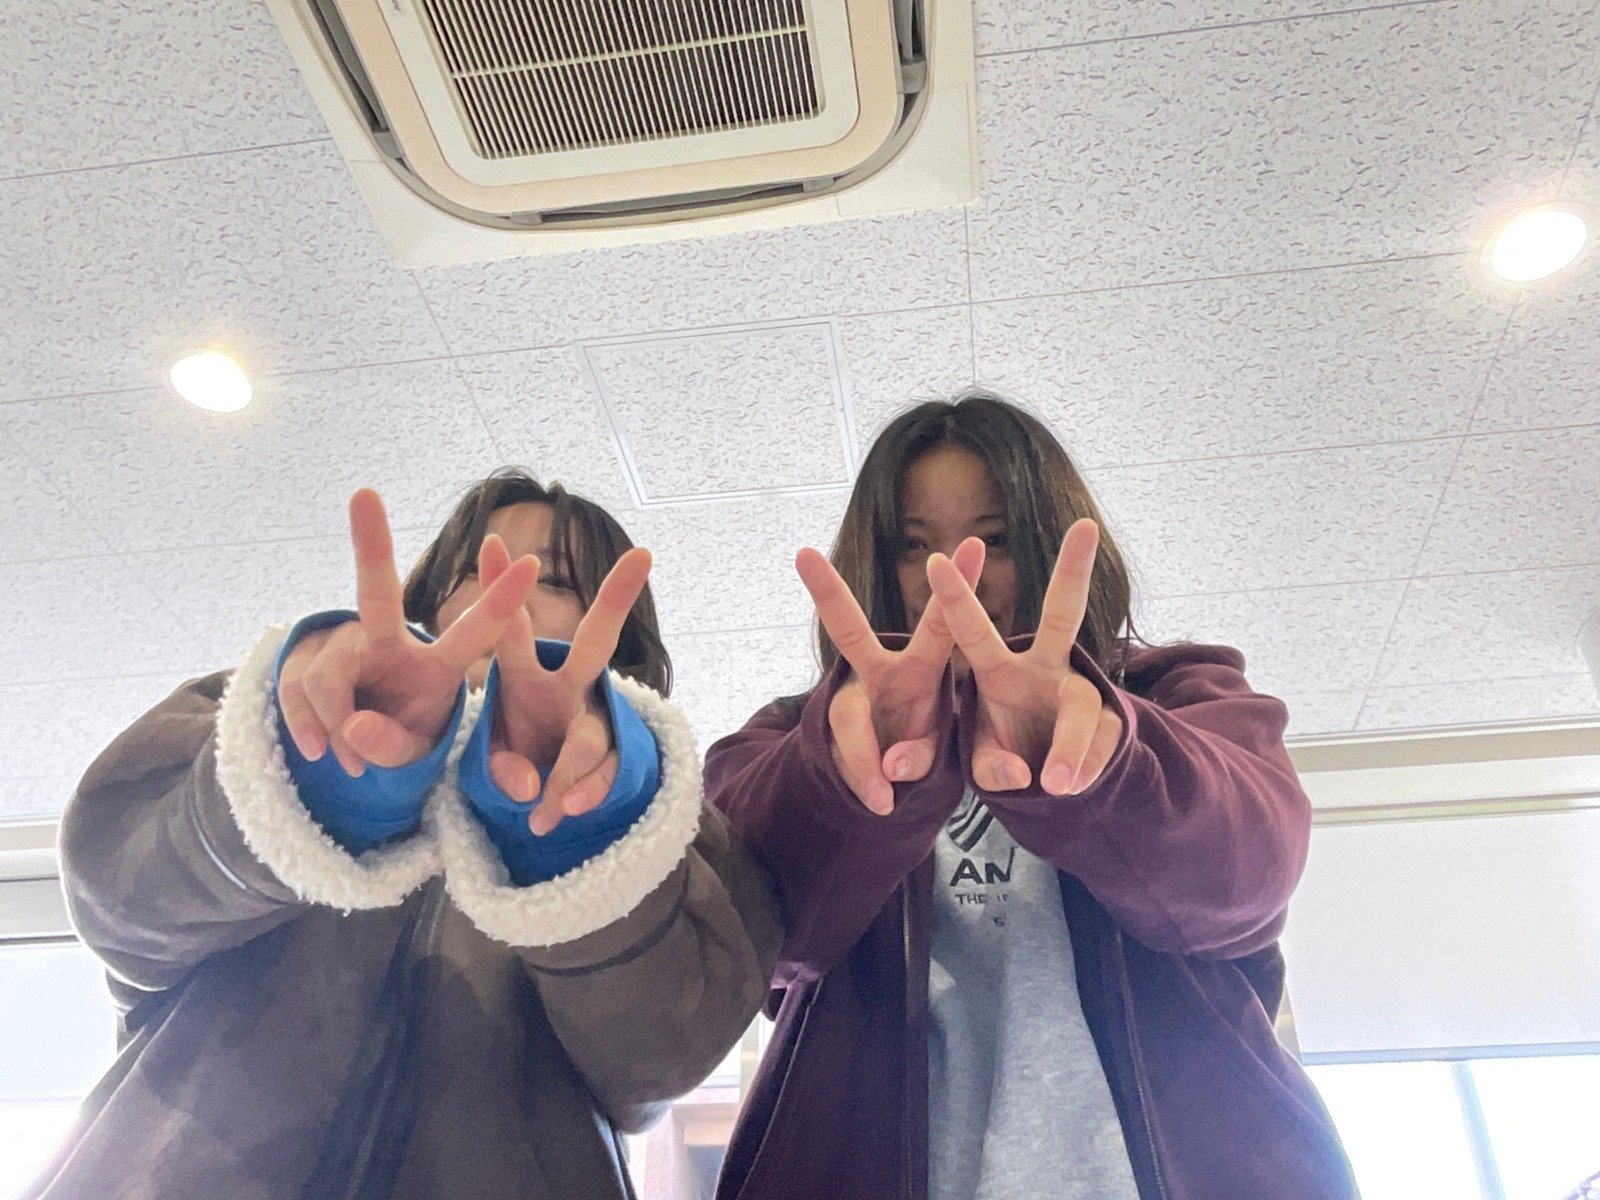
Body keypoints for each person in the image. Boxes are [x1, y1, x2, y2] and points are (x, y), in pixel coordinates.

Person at [37, 470, 780, 1200]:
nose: (504, 593)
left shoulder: (671, 834)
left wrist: (578, 840)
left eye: (553, 580)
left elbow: (659, 1060)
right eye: (475, 569)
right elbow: (120, 900)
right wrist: (320, 783)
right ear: (435, 596)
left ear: (614, 637)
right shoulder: (261, 711)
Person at [705, 392, 1358, 1200]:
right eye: (913, 547)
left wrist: (1110, 769)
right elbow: (747, 939)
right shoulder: (793, 740)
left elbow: (1247, 882)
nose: (954, 578)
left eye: (998, 539)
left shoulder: (1179, 694)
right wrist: (850, 785)